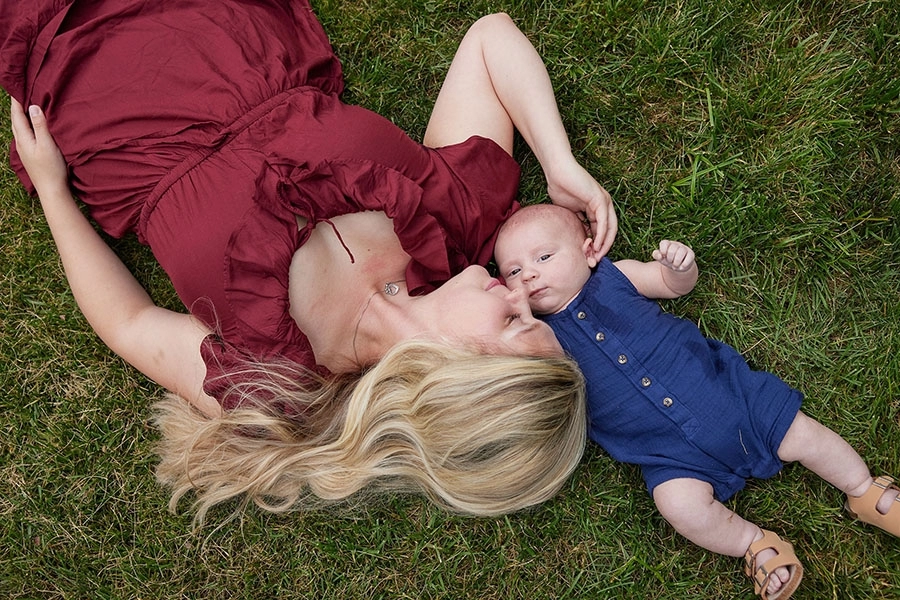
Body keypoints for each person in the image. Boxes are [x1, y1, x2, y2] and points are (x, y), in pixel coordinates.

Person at [3, 1, 615, 523]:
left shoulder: (276, 384)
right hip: (230, 29)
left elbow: (128, 323)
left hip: (92, 77)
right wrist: (560, 164)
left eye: (515, 320)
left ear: (452, 376)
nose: (518, 291)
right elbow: (490, 38)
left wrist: (53, 191)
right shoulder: (456, 219)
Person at [493, 204, 900, 600]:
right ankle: (753, 544)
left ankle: (863, 489)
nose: (529, 273)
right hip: (669, 457)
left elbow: (672, 286)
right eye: (513, 271)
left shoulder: (617, 276)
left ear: (588, 250)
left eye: (544, 256)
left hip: (734, 403)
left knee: (804, 434)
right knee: (678, 506)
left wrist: (678, 268)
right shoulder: (539, 340)